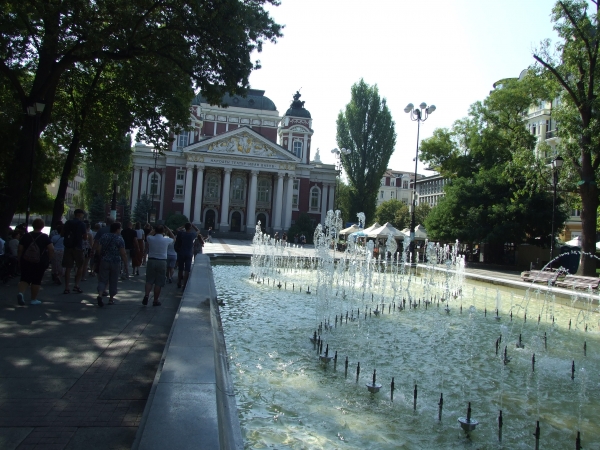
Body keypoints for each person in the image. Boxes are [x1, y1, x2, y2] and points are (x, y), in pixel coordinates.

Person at [17, 218, 54, 306]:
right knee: (36, 280)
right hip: (39, 261)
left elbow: (20, 249)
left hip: (25, 260)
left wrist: (19, 259)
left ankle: (21, 293)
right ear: (42, 226)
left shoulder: (26, 236)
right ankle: (33, 299)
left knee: (24, 278)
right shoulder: (44, 237)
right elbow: (51, 249)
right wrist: (49, 259)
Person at [95, 222, 128, 307]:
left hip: (104, 261)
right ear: (117, 229)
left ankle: (100, 294)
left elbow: (98, 249)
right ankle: (111, 299)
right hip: (115, 262)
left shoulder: (104, 236)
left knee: (102, 280)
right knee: (113, 281)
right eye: (120, 228)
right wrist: (126, 264)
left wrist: (101, 256)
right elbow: (123, 253)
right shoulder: (120, 239)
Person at [143, 225, 175, 306]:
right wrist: (168, 229)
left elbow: (148, 236)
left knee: (149, 280)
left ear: (155, 231)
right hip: (162, 261)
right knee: (159, 282)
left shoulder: (151, 238)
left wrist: (153, 230)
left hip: (151, 260)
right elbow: (174, 238)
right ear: (163, 232)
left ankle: (146, 295)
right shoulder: (166, 240)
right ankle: (155, 300)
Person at [62, 209, 88, 294]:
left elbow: (62, 233)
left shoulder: (68, 223)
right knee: (80, 266)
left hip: (68, 247)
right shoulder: (82, 224)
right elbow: (85, 237)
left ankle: (66, 287)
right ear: (80, 215)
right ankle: (76, 285)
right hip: (78, 247)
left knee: (68, 268)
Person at [175, 222, 198, 289]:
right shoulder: (192, 235)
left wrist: (183, 226)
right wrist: (193, 225)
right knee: (187, 270)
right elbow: (198, 231)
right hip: (189, 253)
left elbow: (177, 229)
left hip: (181, 253)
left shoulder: (181, 233)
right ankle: (184, 285)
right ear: (190, 228)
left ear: (185, 227)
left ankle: (179, 282)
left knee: (180, 269)